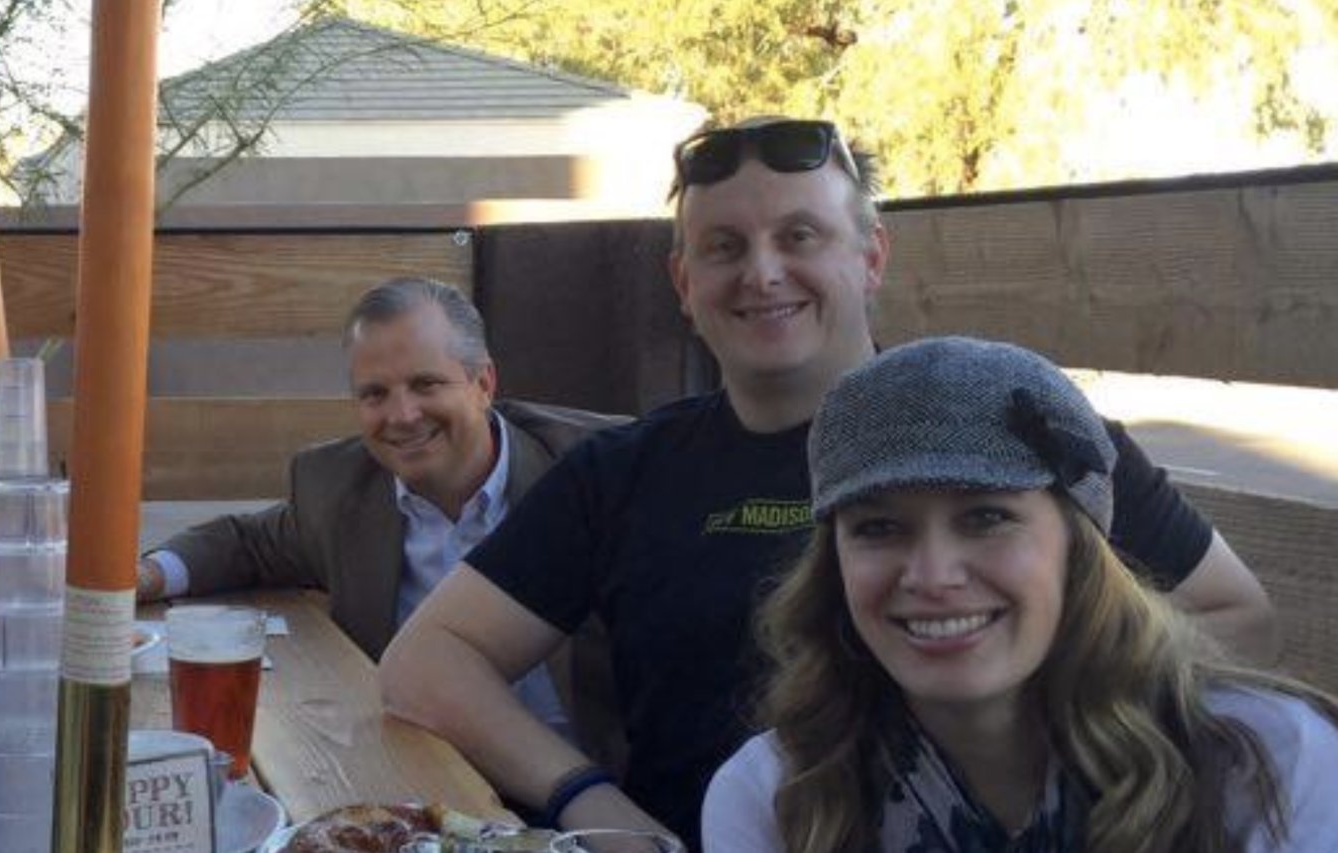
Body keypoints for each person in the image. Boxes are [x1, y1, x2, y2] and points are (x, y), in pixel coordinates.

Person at [378, 117, 1279, 845]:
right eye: (723, 247)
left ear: (872, 255)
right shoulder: (621, 472)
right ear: (683, 282)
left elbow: (1236, 615)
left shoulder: (1011, 433)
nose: (762, 271)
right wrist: (586, 797)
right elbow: (426, 659)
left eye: (799, 235)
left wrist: (1049, 758)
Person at [703, 336, 1337, 853]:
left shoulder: (1266, 769)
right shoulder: (774, 796)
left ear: (1079, 546)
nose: (932, 575)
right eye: (878, 528)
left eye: (986, 517)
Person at [136, 277, 616, 735]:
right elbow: (249, 543)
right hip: (425, 772)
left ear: (484, 383)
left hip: (592, 772)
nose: (402, 416)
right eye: (375, 394)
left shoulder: (602, 469)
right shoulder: (341, 489)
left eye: (426, 384)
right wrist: (148, 576)